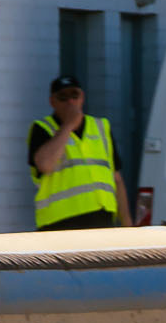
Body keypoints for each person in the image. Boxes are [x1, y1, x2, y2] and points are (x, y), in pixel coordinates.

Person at [28, 74, 130, 231]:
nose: (70, 101)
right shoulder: (42, 128)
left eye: (74, 95)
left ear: (82, 97)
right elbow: (45, 164)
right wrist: (68, 125)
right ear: (52, 102)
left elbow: (116, 179)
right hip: (59, 222)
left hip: (101, 219)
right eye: (63, 97)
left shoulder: (101, 127)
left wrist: (127, 224)